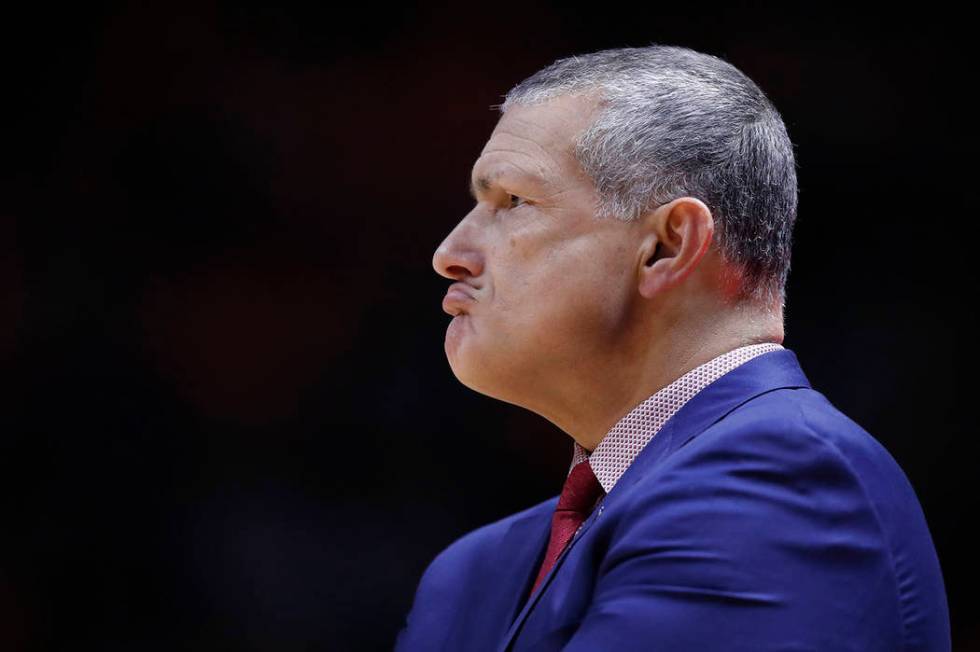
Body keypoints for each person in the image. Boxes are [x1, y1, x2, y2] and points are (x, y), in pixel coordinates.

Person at [394, 44, 950, 651]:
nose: (449, 252)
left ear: (667, 245)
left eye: (513, 202)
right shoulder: (469, 574)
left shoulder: (782, 479)